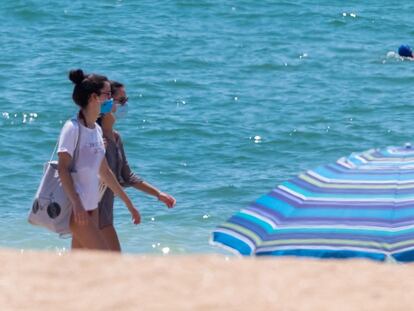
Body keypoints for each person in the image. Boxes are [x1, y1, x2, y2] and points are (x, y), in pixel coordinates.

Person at [58, 69, 141, 251]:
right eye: (108, 94)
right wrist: (77, 205)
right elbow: (62, 168)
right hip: (78, 211)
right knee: (103, 259)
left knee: (80, 264)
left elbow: (105, 173)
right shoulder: (72, 128)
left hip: (92, 208)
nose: (111, 100)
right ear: (94, 97)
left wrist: (130, 205)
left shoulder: (95, 130)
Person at [96, 80, 176, 251]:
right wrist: (129, 205)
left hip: (105, 213)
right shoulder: (95, 137)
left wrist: (158, 194)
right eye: (122, 100)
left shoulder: (115, 138)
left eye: (126, 100)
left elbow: (127, 176)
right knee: (112, 258)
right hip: (92, 211)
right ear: (107, 102)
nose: (125, 105)